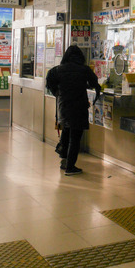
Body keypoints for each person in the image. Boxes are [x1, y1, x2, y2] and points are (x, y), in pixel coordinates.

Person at [46, 45, 101, 176]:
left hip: (63, 107)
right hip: (79, 107)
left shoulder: (57, 70)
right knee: (75, 138)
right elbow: (95, 83)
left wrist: (58, 93)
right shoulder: (84, 70)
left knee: (65, 132)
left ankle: (64, 161)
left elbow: (49, 82)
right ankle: (70, 167)